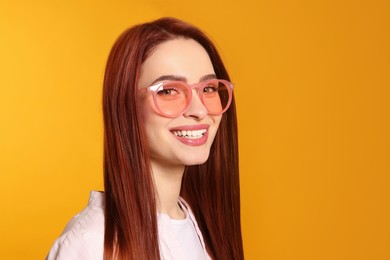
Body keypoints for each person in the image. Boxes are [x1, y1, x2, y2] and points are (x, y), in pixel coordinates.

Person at [47, 17, 243, 260]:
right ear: (126, 105)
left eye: (209, 88)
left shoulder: (202, 228)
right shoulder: (91, 245)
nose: (200, 110)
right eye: (169, 90)